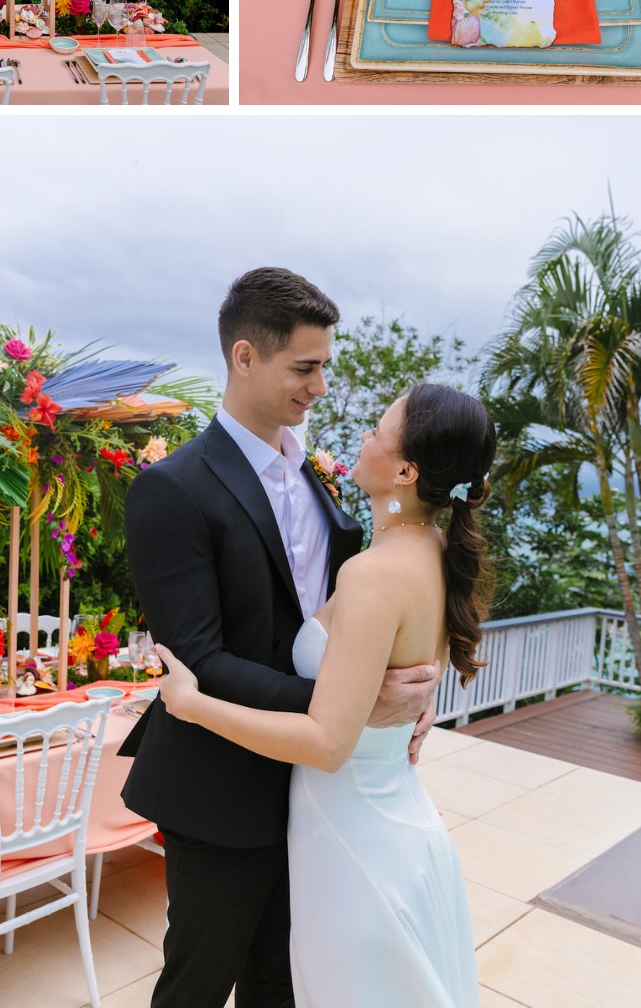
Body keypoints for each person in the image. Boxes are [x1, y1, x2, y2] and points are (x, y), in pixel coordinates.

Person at [120, 267, 442, 1008]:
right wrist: (349, 705)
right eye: (305, 367)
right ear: (244, 357)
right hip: (220, 782)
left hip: (314, 789)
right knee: (198, 981)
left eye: (324, 366)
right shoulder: (172, 488)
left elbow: (354, 617)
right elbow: (196, 658)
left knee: (284, 980)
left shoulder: (317, 479)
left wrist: (400, 693)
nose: (320, 387)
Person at [158, 381, 496, 1008]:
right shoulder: (436, 552)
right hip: (397, 822)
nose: (362, 436)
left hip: (354, 843)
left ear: (404, 469)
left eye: (376, 429)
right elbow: (409, 674)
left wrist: (191, 703)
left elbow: (326, 742)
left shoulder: (371, 574)